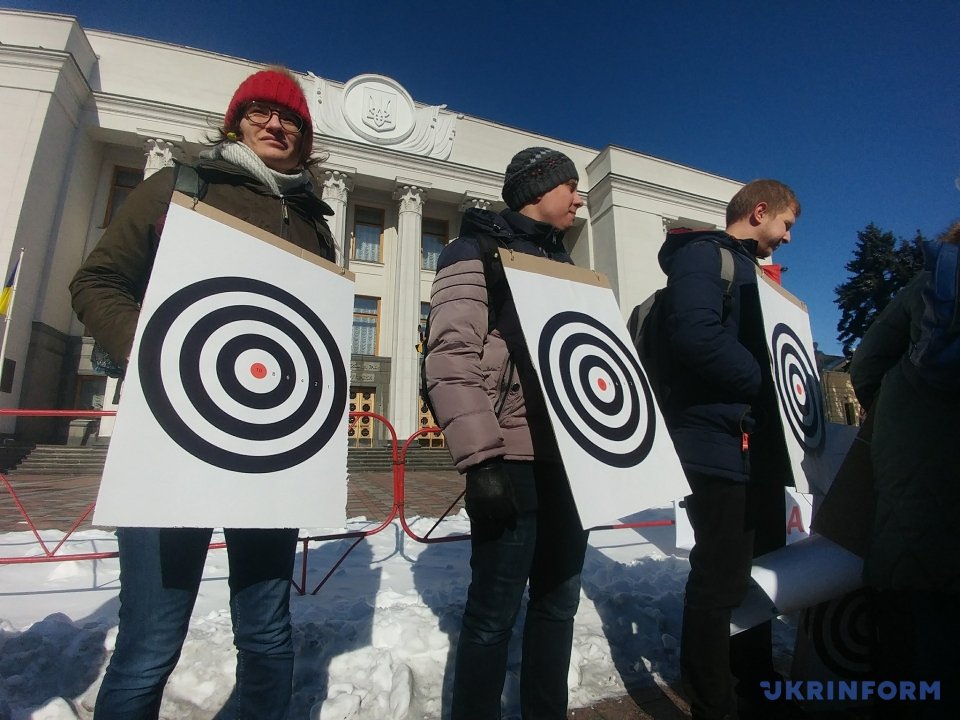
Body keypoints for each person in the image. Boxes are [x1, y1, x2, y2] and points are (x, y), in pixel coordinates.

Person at [70, 67, 335, 719]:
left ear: (305, 138)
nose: (276, 124)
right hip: (173, 438)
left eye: (291, 118)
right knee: (149, 645)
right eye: (261, 111)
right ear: (235, 121)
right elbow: (98, 281)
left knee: (268, 634)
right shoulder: (180, 185)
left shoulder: (316, 224)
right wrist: (155, 353)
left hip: (271, 450)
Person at [424, 147, 587, 720]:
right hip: (511, 458)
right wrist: (481, 461)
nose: (579, 199)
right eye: (571, 186)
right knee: (492, 615)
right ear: (537, 189)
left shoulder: (567, 264)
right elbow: (450, 356)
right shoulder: (473, 251)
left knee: (558, 606)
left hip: (572, 461)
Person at [658, 180, 800, 720]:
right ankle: (713, 702)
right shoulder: (703, 256)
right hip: (714, 444)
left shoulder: (748, 269)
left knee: (753, 572)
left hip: (750, 445)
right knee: (719, 578)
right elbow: (695, 336)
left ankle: (756, 683)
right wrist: (767, 382)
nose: (788, 238)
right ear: (760, 212)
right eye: (786, 224)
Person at [850, 221, 960, 720]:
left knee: (912, 625)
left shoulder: (928, 286)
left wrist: (898, 412)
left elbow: (866, 363)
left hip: (912, 474)